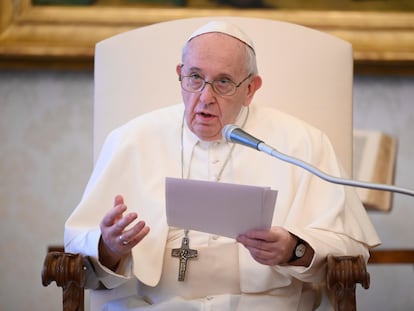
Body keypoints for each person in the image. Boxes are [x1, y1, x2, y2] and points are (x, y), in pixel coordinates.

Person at [64, 21, 380, 310]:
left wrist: (294, 248)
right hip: (150, 305)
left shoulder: (302, 142)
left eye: (223, 82)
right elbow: (78, 247)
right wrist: (109, 248)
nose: (205, 97)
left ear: (251, 89)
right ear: (180, 73)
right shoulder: (130, 139)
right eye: (195, 78)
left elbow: (350, 247)